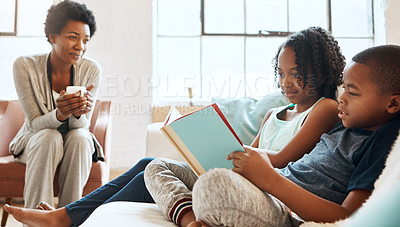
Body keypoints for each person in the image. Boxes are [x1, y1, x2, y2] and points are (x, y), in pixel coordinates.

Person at [3, 26, 345, 226]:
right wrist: (209, 143)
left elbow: (282, 158)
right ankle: (69, 216)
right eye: (281, 74)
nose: (286, 82)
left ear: (322, 69)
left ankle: (66, 218)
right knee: (150, 167)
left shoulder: (324, 107)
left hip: (270, 191)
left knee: (152, 171)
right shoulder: (274, 114)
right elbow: (250, 151)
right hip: (250, 178)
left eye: (296, 73)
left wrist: (244, 157)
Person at [185, 44, 400, 226]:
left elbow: (349, 217)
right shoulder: (346, 125)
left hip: (287, 208)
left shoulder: (386, 142)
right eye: (343, 88)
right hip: (270, 187)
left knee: (212, 184)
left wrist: (270, 179)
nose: (341, 98)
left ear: (393, 103)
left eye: (352, 92)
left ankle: (200, 214)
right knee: (158, 168)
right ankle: (193, 217)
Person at [9, 0, 102, 210]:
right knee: (49, 137)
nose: (80, 47)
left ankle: (69, 219)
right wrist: (59, 115)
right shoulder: (25, 66)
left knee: (80, 137)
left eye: (86, 40)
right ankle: (37, 221)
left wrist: (79, 114)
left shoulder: (92, 70)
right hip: (36, 139)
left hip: (74, 139)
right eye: (73, 37)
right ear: (53, 37)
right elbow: (33, 124)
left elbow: (82, 126)